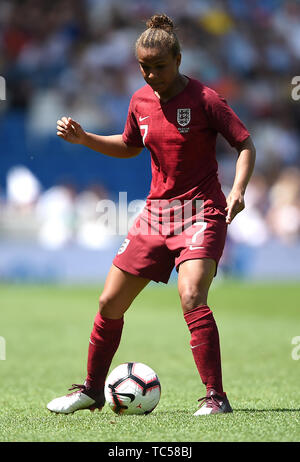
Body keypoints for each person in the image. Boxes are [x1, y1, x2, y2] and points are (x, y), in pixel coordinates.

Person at [47, 14, 256, 416]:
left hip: (201, 212)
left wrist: (239, 190)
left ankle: (216, 397)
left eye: (159, 66)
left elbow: (245, 144)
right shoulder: (139, 100)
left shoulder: (206, 99)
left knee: (192, 294)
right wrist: (85, 137)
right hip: (156, 214)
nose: (151, 74)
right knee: (110, 301)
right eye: (144, 67)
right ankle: (91, 390)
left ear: (178, 59)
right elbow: (129, 145)